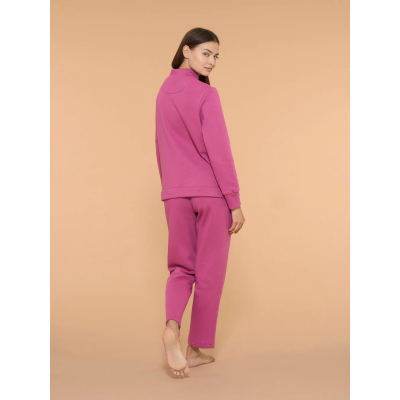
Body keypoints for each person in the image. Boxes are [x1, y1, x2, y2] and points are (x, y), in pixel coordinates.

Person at [155, 27, 245, 377]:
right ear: (186, 51)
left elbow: (161, 146)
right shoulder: (207, 95)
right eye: (206, 53)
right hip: (210, 194)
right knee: (210, 273)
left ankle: (172, 327)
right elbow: (219, 150)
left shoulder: (164, 92)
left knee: (180, 269)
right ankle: (193, 350)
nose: (212, 62)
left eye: (216, 56)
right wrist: (234, 201)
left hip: (174, 192)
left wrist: (170, 189)